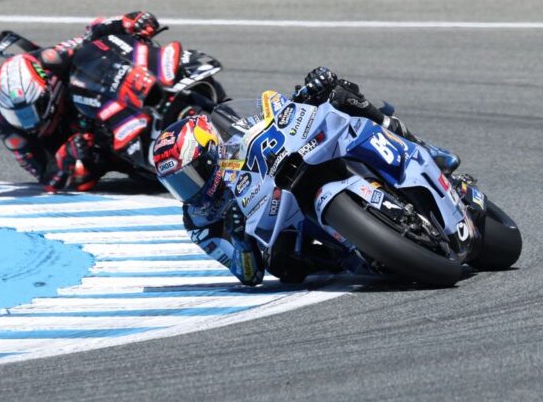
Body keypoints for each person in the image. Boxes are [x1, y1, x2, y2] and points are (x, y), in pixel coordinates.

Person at [152, 67, 461, 285]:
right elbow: (247, 275)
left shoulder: (230, 133)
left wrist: (306, 94)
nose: (188, 189)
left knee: (338, 94)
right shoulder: (198, 221)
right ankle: (353, 252)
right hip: (280, 227)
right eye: (176, 183)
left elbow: (271, 115)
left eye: (191, 175)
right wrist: (241, 240)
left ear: (211, 153)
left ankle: (424, 148)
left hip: (290, 166)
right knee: (282, 267)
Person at [0, 11, 161, 192]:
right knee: (82, 178)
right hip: (86, 139)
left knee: (107, 48)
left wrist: (129, 22)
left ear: (46, 90)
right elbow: (47, 179)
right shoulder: (11, 133)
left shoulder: (51, 59)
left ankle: (162, 72)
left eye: (31, 111)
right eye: (15, 116)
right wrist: (65, 156)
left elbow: (92, 34)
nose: (28, 123)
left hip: (98, 97)